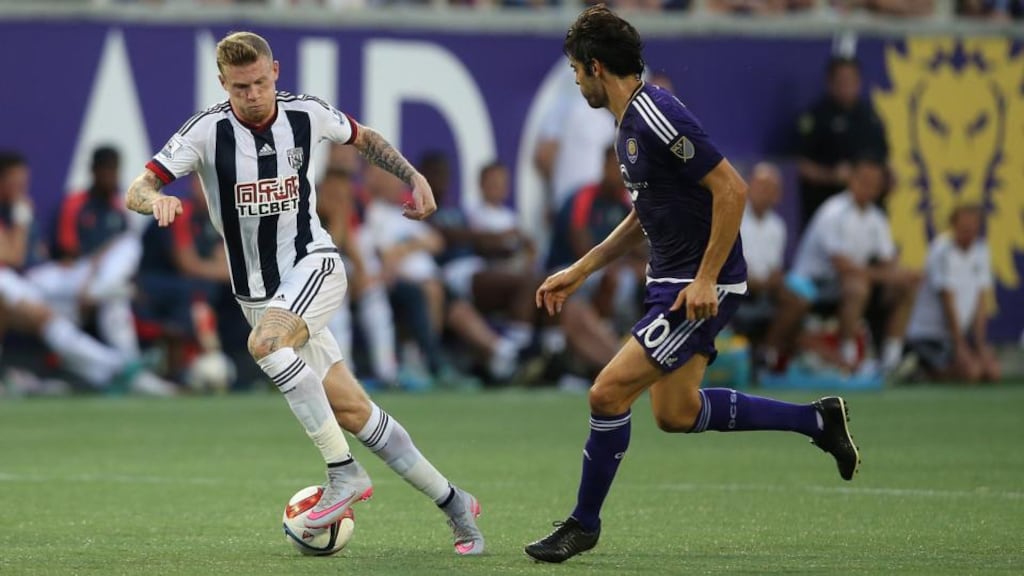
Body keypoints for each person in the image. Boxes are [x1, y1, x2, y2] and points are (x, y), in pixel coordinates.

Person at [126, 31, 483, 554]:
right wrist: (155, 200)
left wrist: (414, 176)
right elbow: (139, 186)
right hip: (259, 296)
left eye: (260, 82)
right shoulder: (205, 132)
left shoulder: (306, 114)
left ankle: (344, 474)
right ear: (223, 84)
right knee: (354, 412)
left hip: (314, 264)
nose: (253, 94)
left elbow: (364, 138)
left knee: (266, 346)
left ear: (276, 72)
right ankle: (456, 504)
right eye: (240, 87)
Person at [524, 7, 859, 564]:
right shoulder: (629, 125)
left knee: (606, 393)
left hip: (699, 285)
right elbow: (646, 213)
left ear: (597, 67)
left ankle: (583, 524)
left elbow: (732, 189)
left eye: (577, 71)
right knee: (675, 413)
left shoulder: (655, 113)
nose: (577, 82)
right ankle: (818, 420)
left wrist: (705, 279)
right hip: (671, 281)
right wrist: (582, 269)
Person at [0, 151, 174, 395]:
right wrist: (21, 217)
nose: (21, 188)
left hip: (67, 283)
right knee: (58, 316)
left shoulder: (115, 205)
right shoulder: (23, 210)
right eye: (15, 182)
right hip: (30, 281)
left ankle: (128, 373)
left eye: (23, 182)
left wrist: (95, 266)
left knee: (119, 282)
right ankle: (126, 368)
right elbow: (14, 257)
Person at [763, 158, 919, 373]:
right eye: (864, 181)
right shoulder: (833, 212)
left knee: (904, 286)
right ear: (852, 181)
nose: (869, 187)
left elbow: (888, 262)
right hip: (813, 283)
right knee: (857, 286)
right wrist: (887, 275)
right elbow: (843, 267)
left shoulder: (876, 218)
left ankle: (891, 361)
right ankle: (849, 355)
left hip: (845, 284)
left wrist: (901, 275)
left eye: (875, 183)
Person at [27, 146, 143, 357]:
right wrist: (94, 268)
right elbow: (68, 252)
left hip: (102, 279)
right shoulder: (75, 203)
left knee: (128, 251)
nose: (110, 176)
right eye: (105, 170)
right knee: (32, 283)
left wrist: (100, 266)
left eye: (113, 170)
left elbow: (125, 255)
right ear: (94, 170)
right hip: (76, 275)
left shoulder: (119, 208)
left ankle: (128, 360)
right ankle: (125, 362)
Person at [905, 205, 1000, 382]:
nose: (969, 234)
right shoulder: (941, 251)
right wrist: (960, 347)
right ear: (953, 226)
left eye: (973, 229)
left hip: (955, 336)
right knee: (971, 373)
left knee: (992, 373)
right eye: (964, 229)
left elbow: (980, 302)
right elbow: (947, 303)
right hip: (929, 336)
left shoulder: (982, 251)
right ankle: (919, 371)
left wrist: (980, 345)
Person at [796, 56, 888, 228]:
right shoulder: (816, 118)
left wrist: (885, 176)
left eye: (852, 80)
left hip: (869, 209)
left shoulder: (871, 117)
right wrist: (830, 175)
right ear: (830, 83)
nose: (848, 86)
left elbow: (883, 157)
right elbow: (798, 165)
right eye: (842, 80)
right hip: (827, 203)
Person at [733, 162, 786, 342]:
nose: (765, 193)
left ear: (778, 195)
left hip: (765, 289)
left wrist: (774, 278)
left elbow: (775, 267)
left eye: (771, 189)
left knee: (796, 299)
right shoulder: (733, 216)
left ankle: (769, 352)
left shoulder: (778, 226)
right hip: (734, 285)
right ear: (749, 186)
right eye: (761, 186)